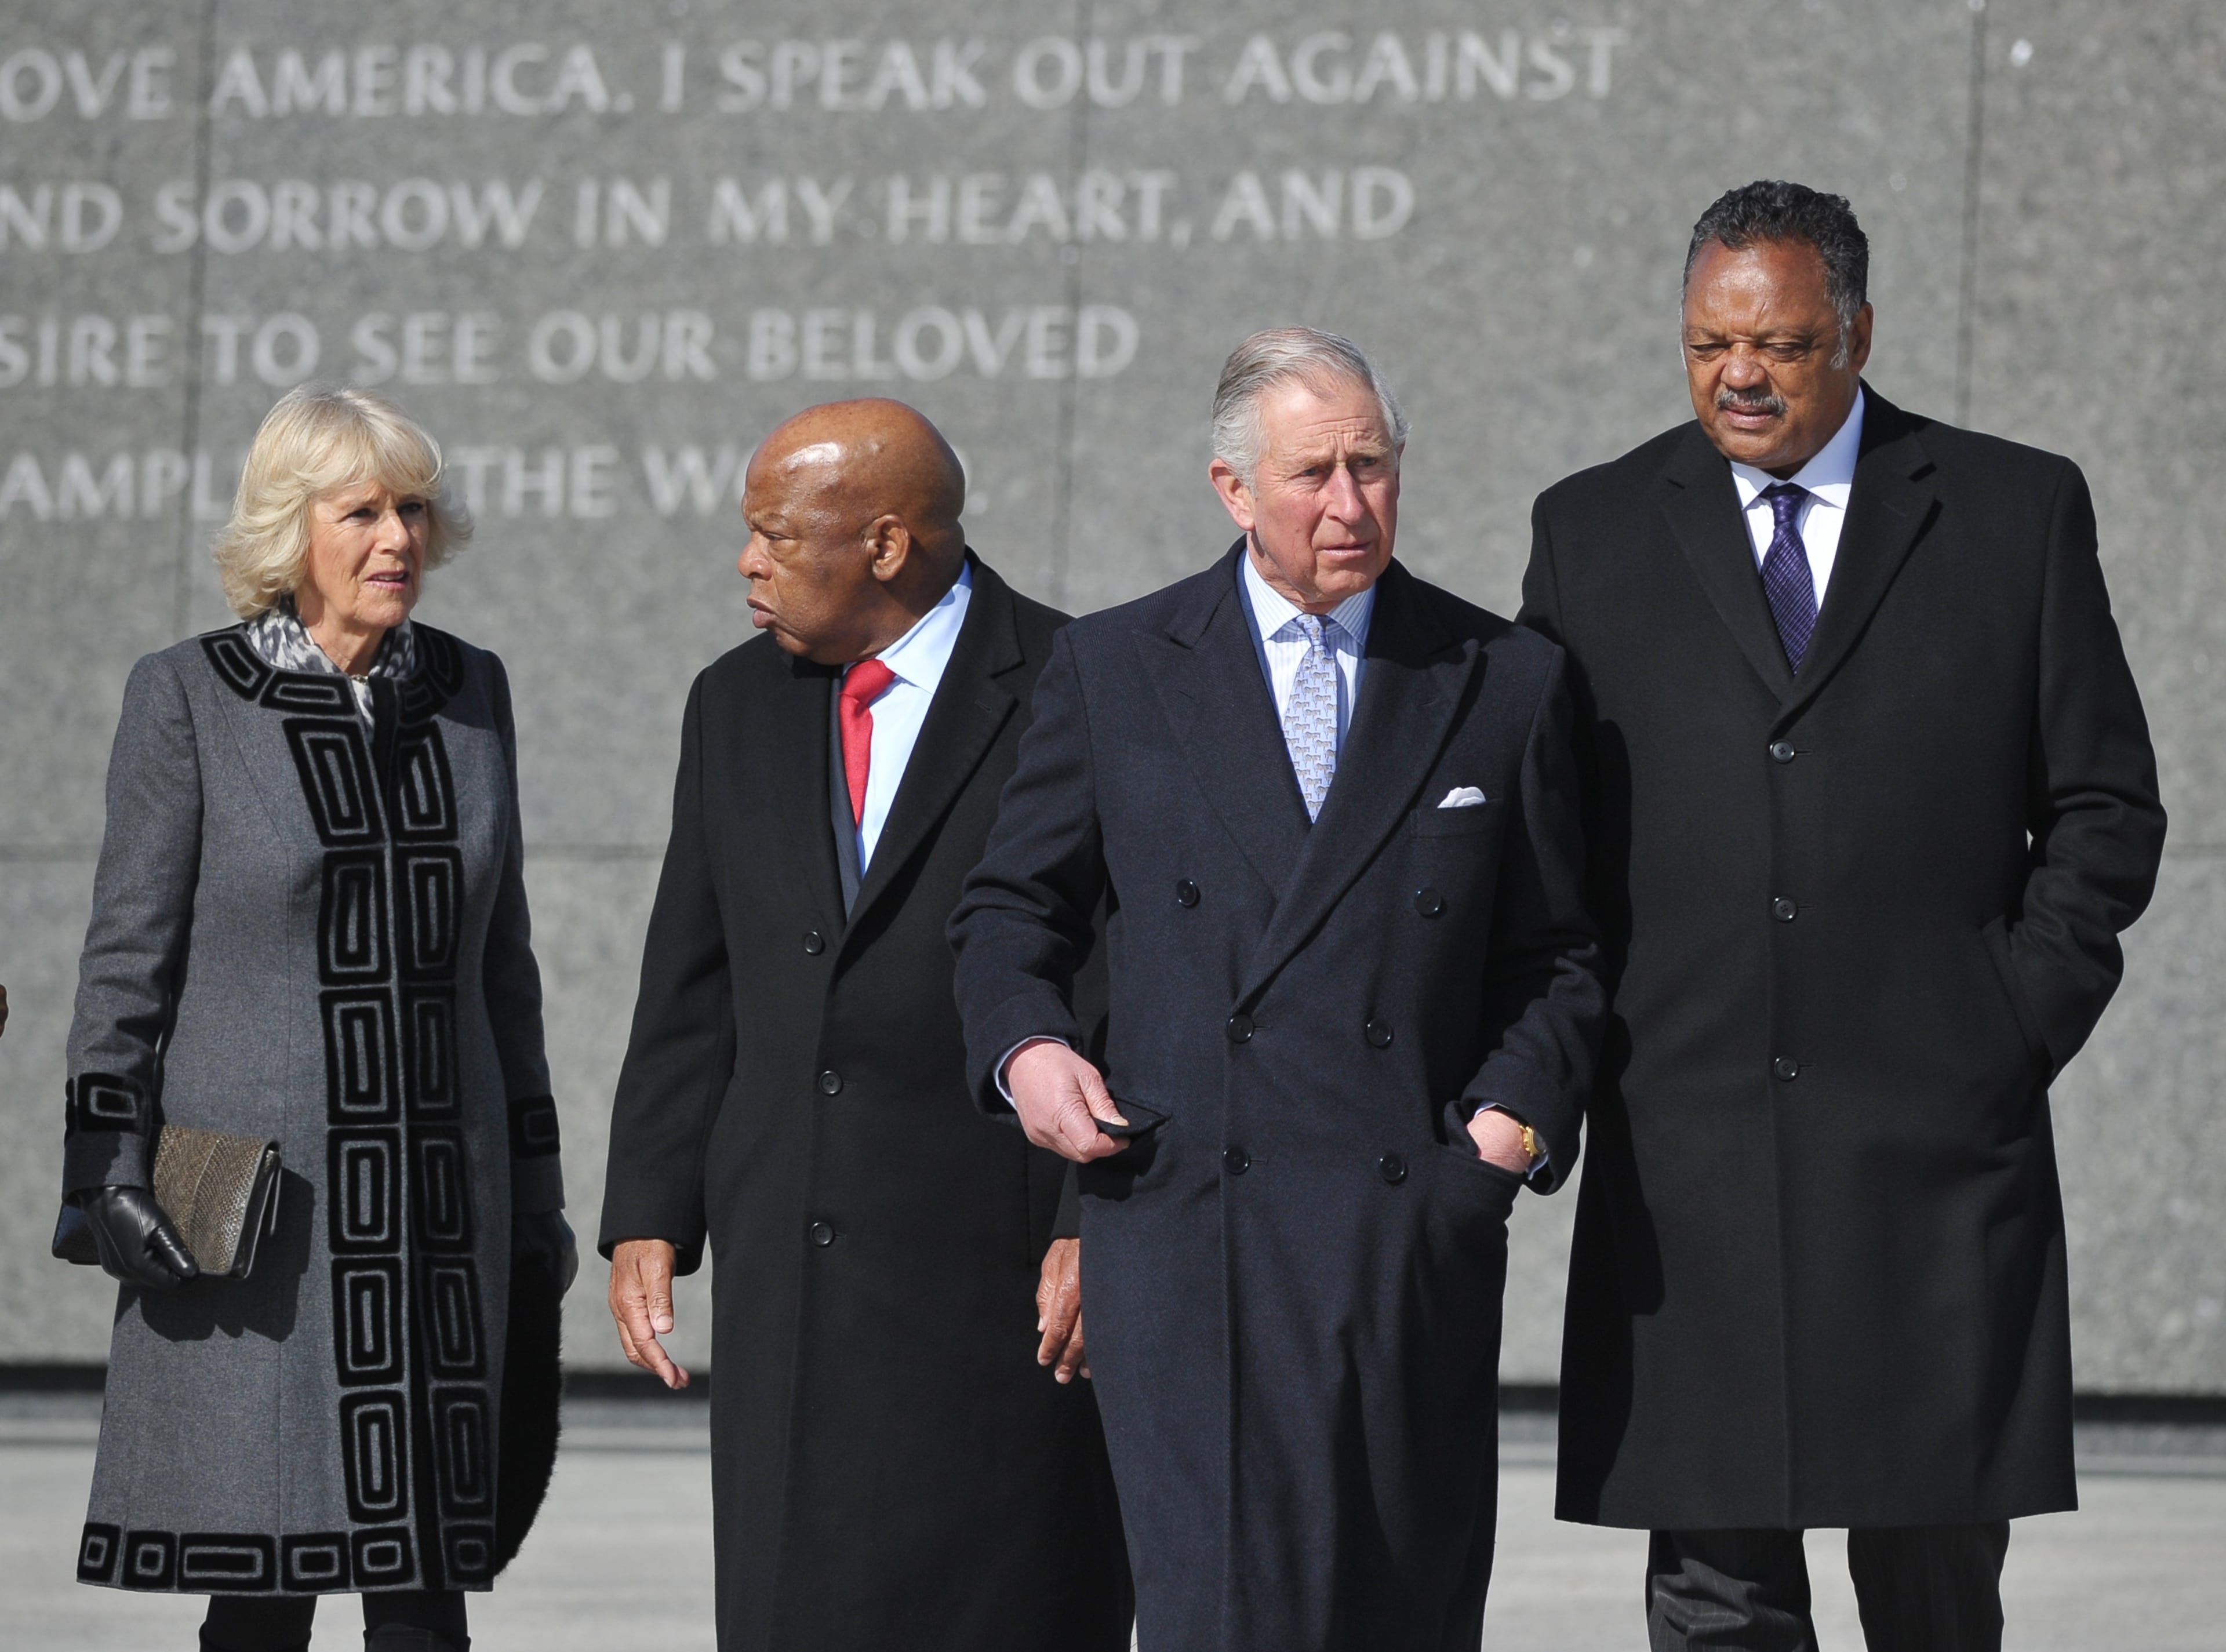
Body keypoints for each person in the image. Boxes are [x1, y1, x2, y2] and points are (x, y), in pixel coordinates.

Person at [1523, 181, 2167, 1651]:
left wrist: (2006, 1023)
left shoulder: (2015, 510)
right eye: (1706, 345)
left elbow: (2105, 811)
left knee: (1937, 1587)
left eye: (1781, 344)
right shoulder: (1591, 529)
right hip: (1686, 1154)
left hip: (1933, 1150)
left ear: (1860, 334)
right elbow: (1542, 833)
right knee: (1714, 1596)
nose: (1738, 375)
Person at [948, 329, 1605, 1651]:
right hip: (1192, 1234)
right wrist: (1027, 1050)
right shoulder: (1120, 668)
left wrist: (1497, 1142)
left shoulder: (1503, 681)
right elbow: (1012, 910)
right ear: (1233, 489)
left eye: (1373, 466)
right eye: (1314, 474)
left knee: (1398, 1609)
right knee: (1217, 1615)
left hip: (1402, 1240)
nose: (1351, 505)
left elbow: (1562, 959)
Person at [598, 398, 1130, 1652]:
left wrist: (1089, 1224)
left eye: (779, 534)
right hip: (793, 1266)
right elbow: (693, 975)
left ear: (886, 545)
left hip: (997, 1276)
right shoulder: (733, 703)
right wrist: (648, 1210)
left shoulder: (1081, 684)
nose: (749, 561)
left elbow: (1121, 982)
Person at [60, 384, 575, 1652]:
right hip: (260, 1215)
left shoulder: (471, 692)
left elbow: (503, 969)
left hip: (438, 1219)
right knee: (263, 1593)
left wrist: (540, 1190)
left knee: (423, 1593)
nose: (399, 537)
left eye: (412, 509)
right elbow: (130, 958)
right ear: (296, 532)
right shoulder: (188, 695)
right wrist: (104, 1169)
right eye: (364, 512)